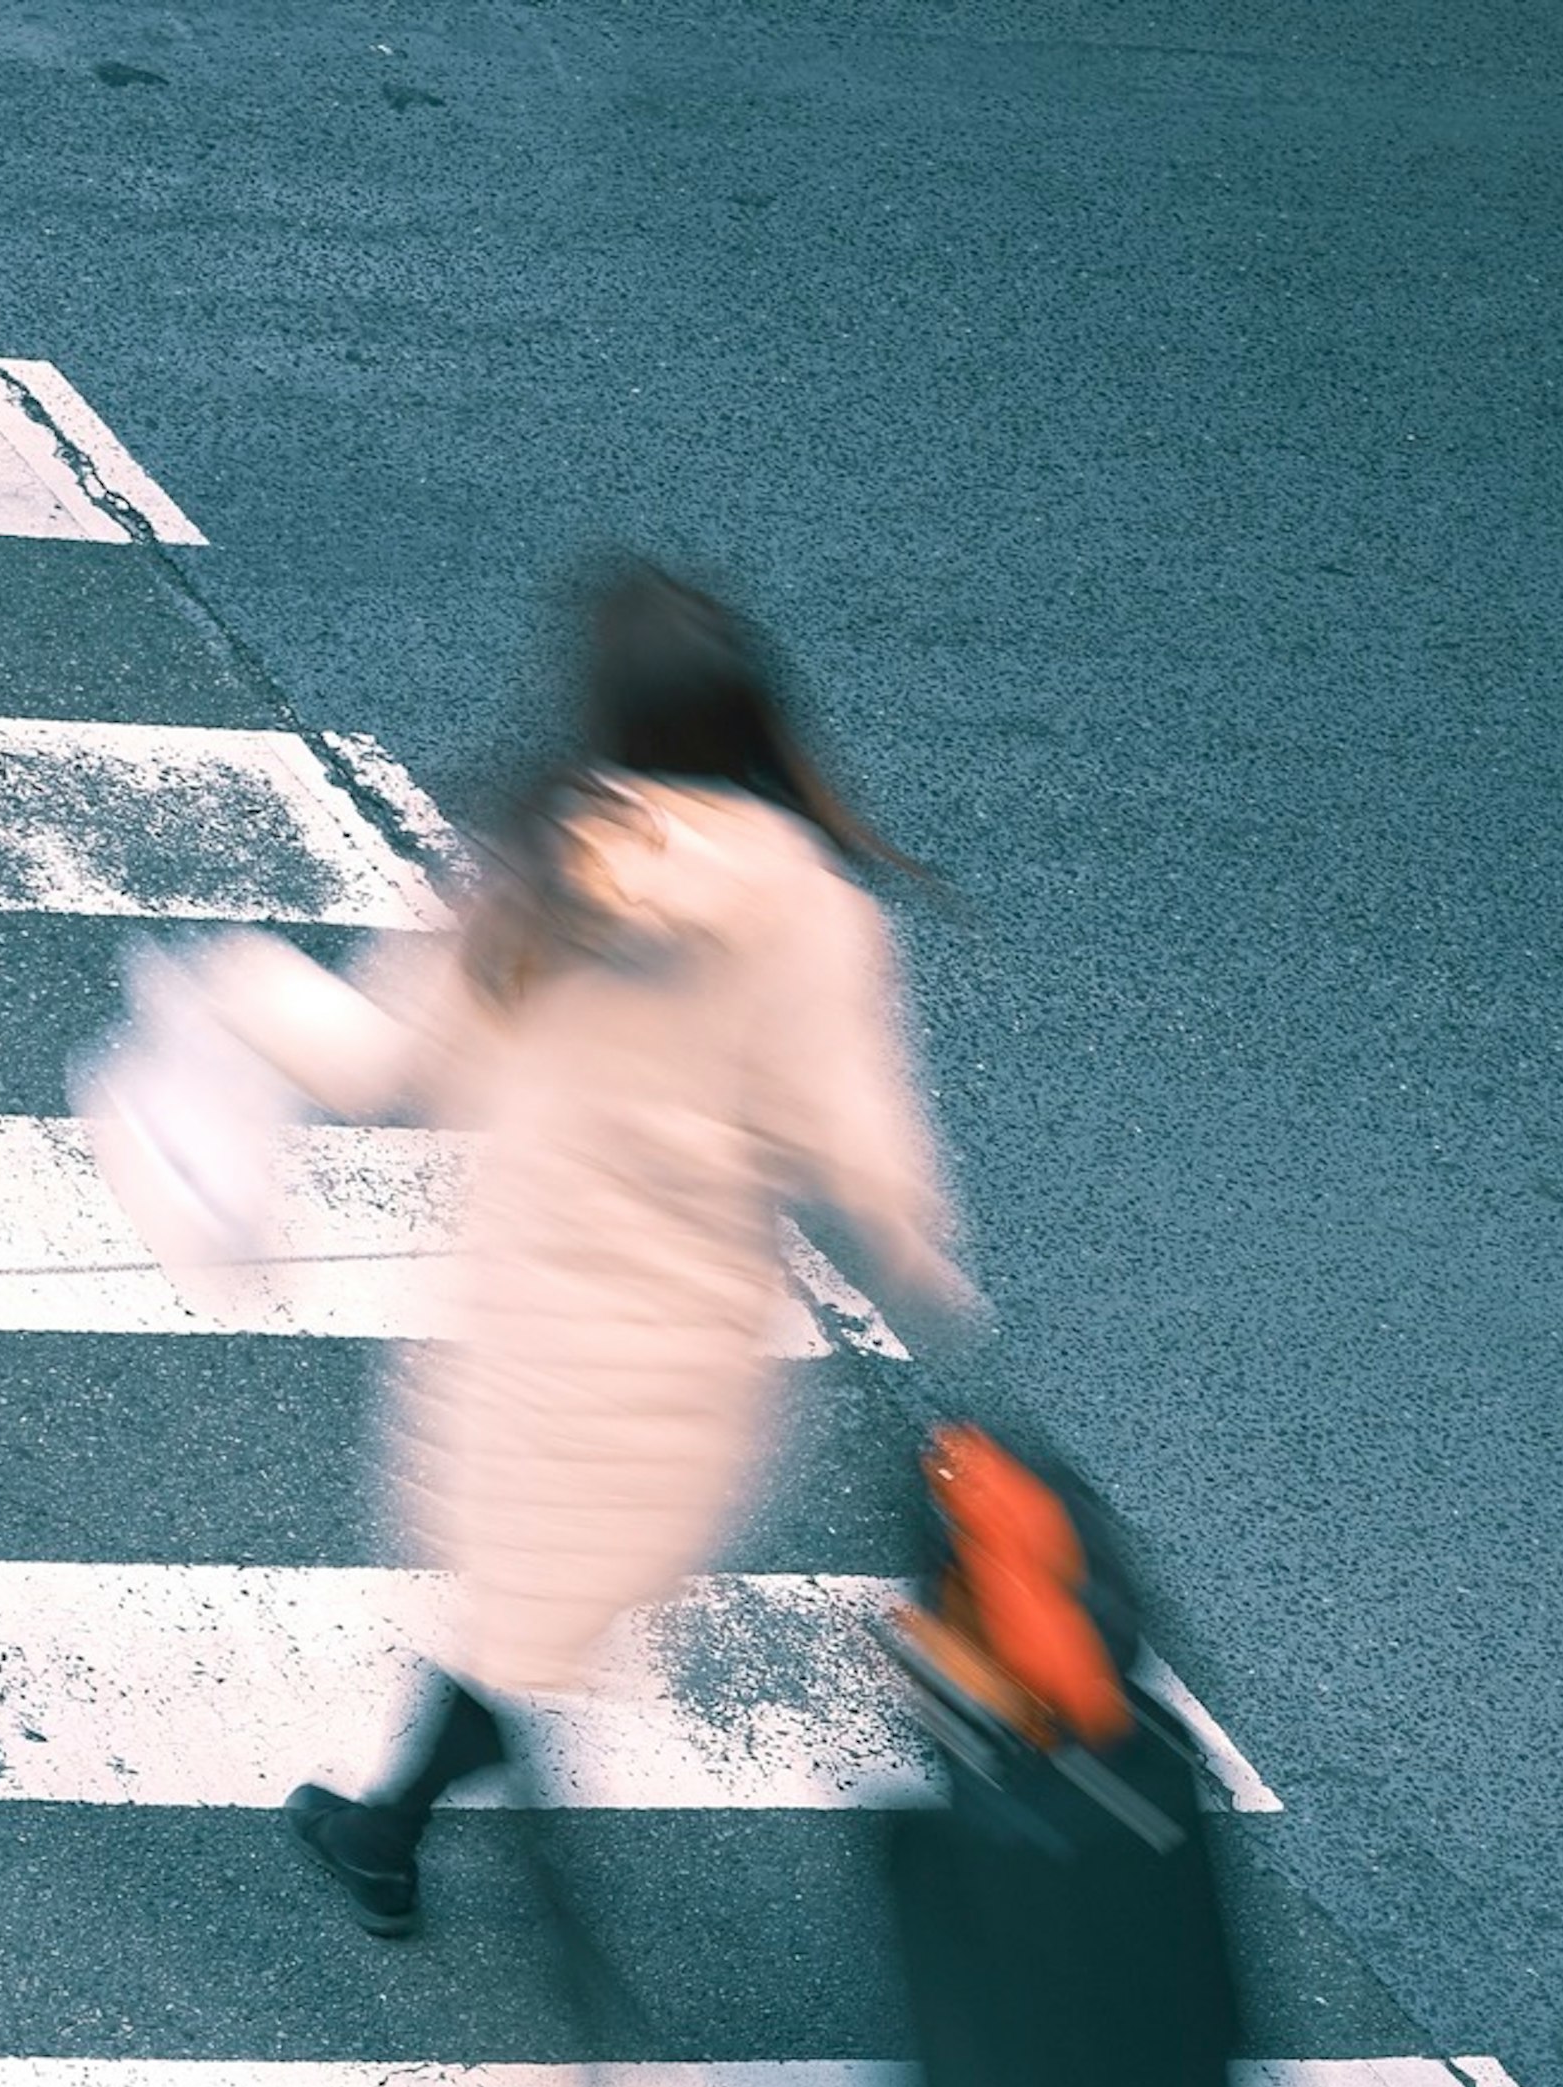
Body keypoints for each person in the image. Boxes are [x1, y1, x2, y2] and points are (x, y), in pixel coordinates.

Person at [140, 557, 974, 1938]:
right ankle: (398, 1814)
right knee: (538, 1618)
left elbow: (376, 1055)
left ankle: (429, 1832)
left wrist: (225, 991)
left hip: (526, 1342)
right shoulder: (817, 915)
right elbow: (860, 1142)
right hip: (688, 1363)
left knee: (516, 1603)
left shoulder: (538, 878)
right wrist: (921, 1266)